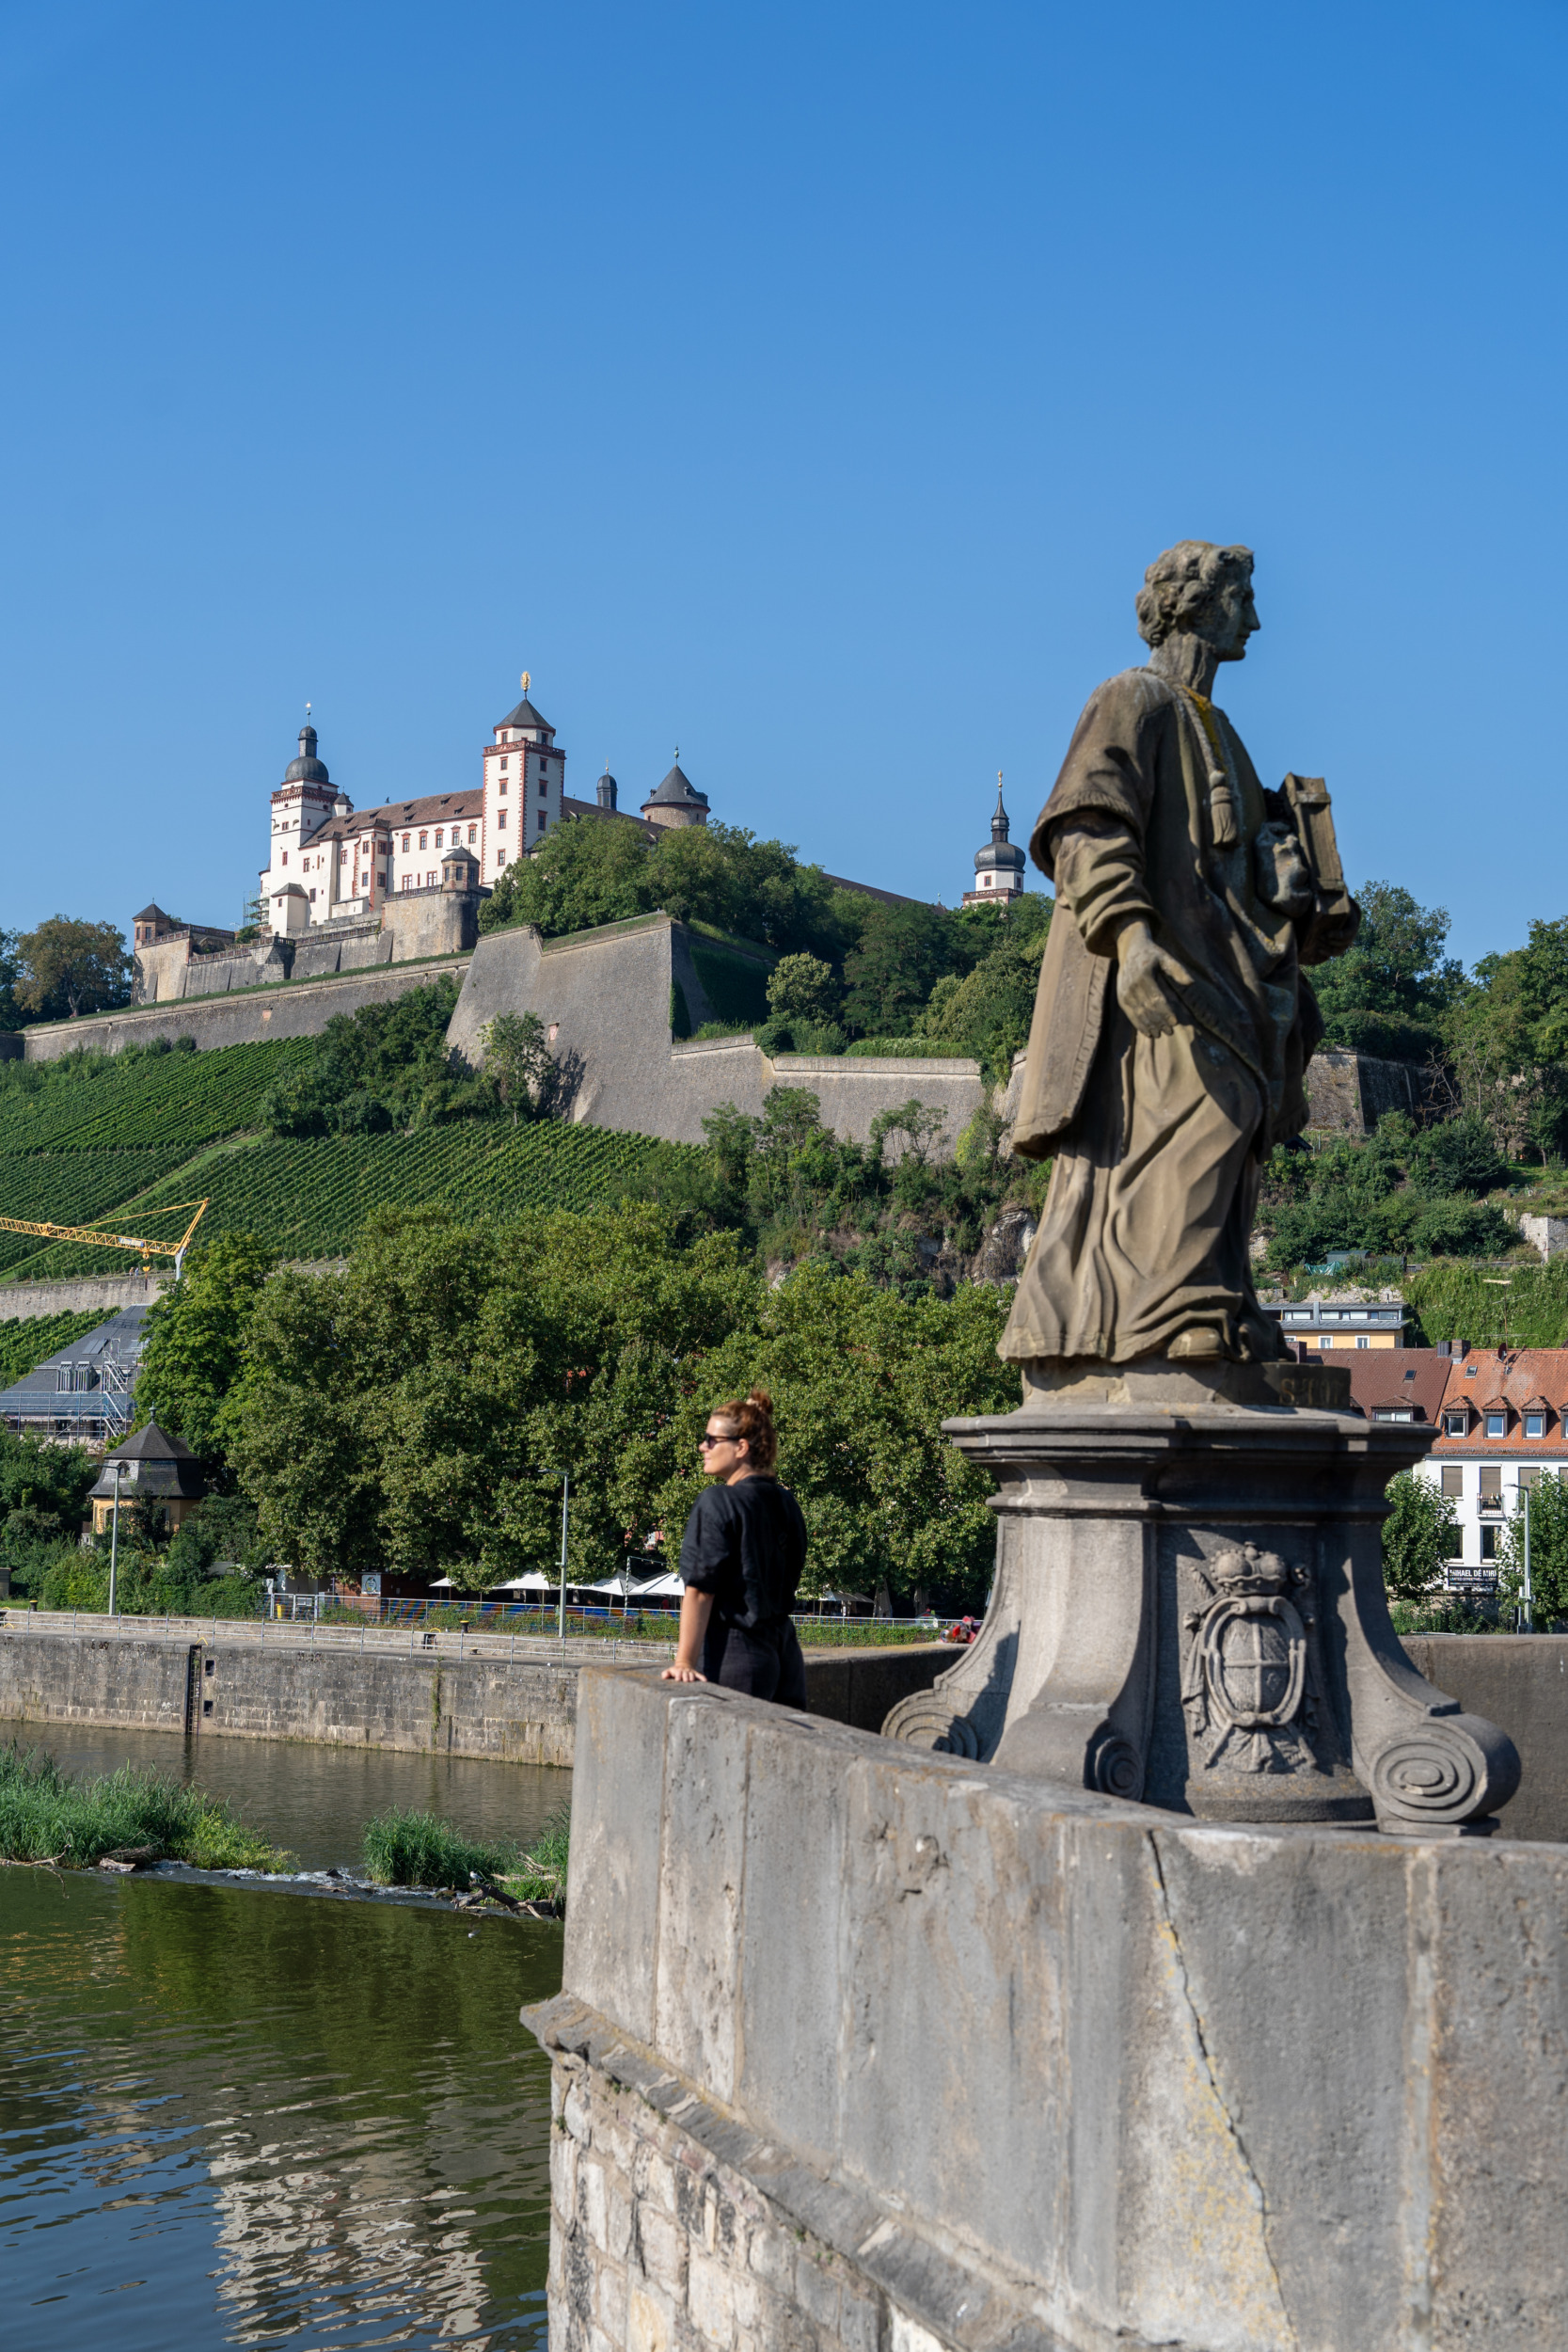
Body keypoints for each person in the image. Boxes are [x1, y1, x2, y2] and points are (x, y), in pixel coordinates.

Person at [1002, 539, 1356, 1372]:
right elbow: (1087, 824)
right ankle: (1169, 1314)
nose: (1257, 620)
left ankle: (1217, 1299)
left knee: (1240, 1131)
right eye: (1242, 602)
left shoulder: (1223, 734)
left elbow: (1231, 863)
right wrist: (1127, 939)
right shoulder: (1130, 699)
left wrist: (1290, 877)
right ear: (1196, 605)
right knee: (1202, 1119)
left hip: (1234, 967)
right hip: (1162, 973)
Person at [660, 1390, 809, 1704]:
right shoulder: (786, 1502)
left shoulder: (718, 1501)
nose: (703, 1446)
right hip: (786, 1657)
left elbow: (701, 1589)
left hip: (735, 1656)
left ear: (741, 1447)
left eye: (711, 1440)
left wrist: (684, 1662)